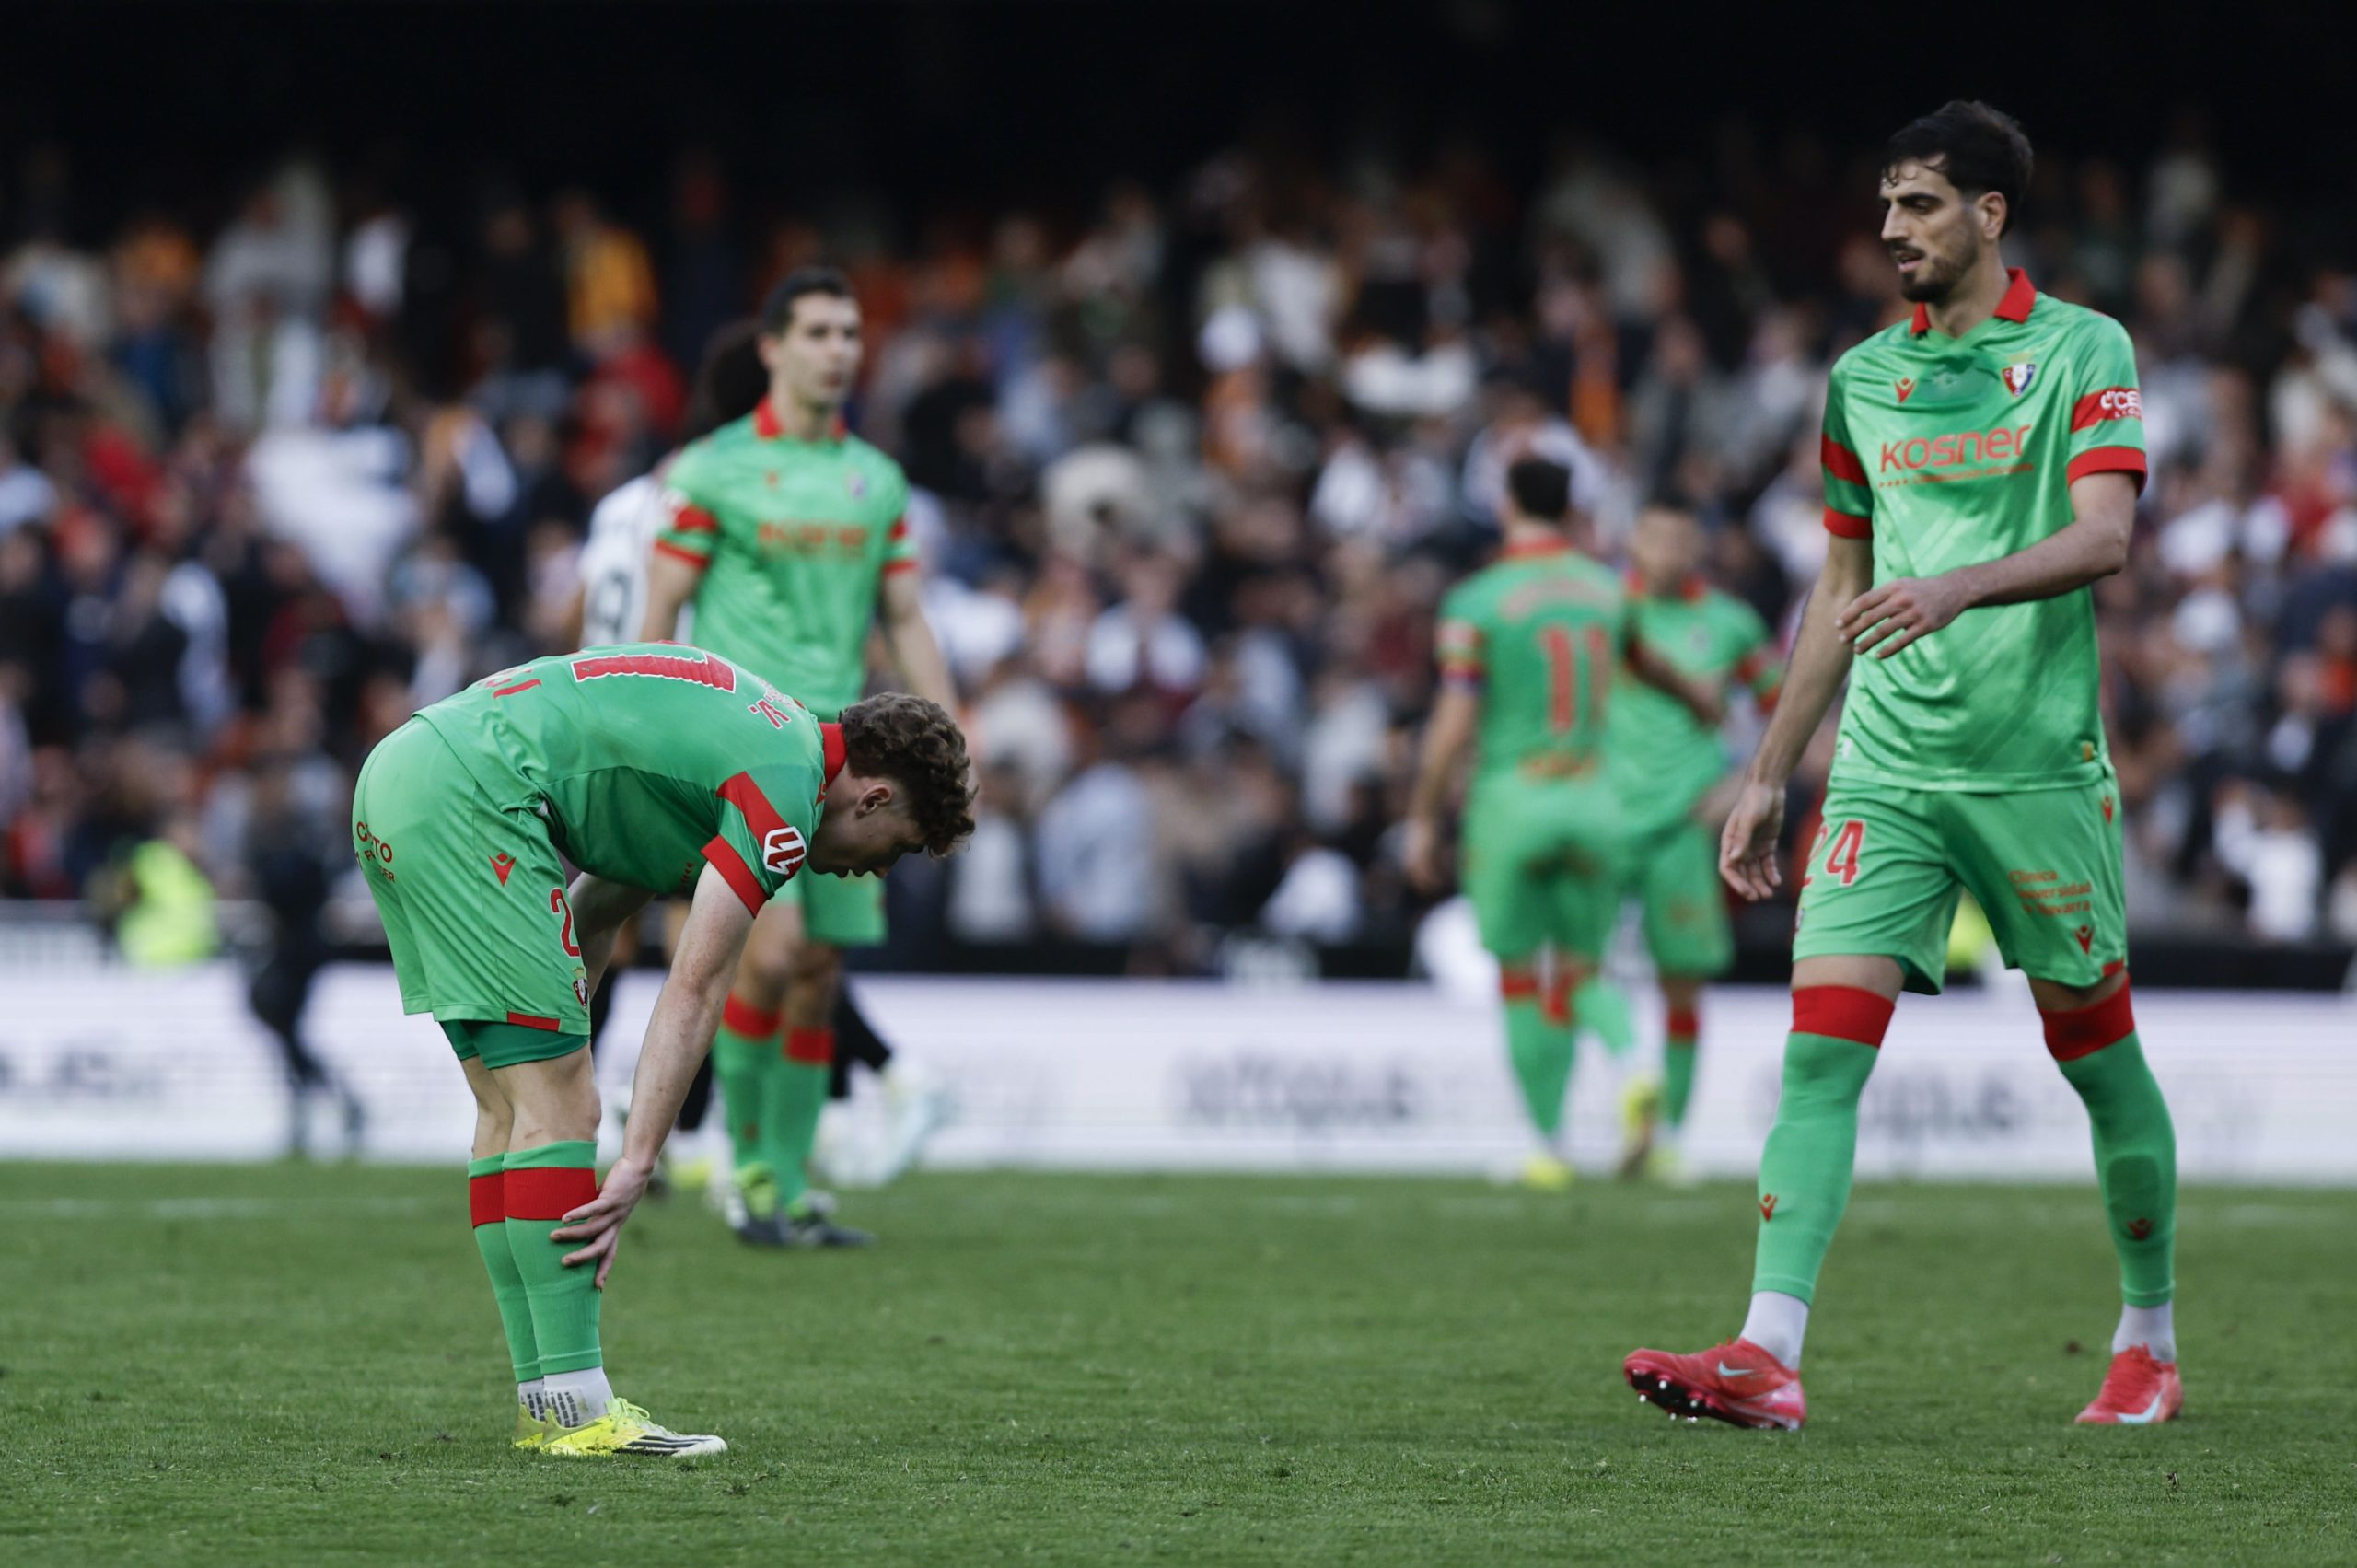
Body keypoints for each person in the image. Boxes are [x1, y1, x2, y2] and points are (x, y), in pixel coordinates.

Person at [1623, 102, 2178, 1431]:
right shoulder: (1863, 379)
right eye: (1885, 205)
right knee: (1821, 1056)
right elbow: (1842, 580)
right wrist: (1769, 766)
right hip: (1883, 765)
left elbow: (2106, 538)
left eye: (1920, 204)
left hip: (2035, 768)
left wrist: (1960, 589)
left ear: (1990, 213)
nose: (1890, 229)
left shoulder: (2080, 348)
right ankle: (1768, 1350)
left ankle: (2148, 1337)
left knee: (2096, 1057)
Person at [351, 646, 972, 1456]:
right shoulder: (783, 798)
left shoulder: (752, 742)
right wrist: (641, 1159)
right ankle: (576, 1410)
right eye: (897, 845)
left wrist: (563, 1000)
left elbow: (602, 904)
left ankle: (549, 1402)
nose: (877, 869)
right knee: (562, 1108)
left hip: (404, 779)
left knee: (511, 1110)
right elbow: (698, 985)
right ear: (876, 795)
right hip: (473, 801)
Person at [640, 267, 958, 1247]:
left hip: (852, 757)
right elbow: (656, 613)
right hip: (746, 749)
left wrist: (947, 745)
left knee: (817, 964)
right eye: (819, 331)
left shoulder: (877, 480)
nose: (839, 349)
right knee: (766, 956)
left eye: (851, 332)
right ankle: (742, 1175)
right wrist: (648, 729)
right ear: (772, 347)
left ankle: (783, 1185)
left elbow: (905, 616)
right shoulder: (711, 468)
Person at [1405, 458, 1720, 1190]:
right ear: (1571, 507)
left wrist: (1422, 814)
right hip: (1594, 799)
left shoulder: (1477, 599)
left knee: (1521, 978)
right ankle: (1635, 1062)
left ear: (1506, 504)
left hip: (1513, 800)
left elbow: (1454, 723)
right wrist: (1703, 704)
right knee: (1581, 969)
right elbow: (1656, 667)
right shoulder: (1607, 588)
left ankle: (1546, 1147)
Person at [1607, 505, 1783, 1181]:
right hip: (1604, 814)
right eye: (1655, 535)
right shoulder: (1603, 610)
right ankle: (1613, 1098)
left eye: (1682, 537)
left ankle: (1669, 1138)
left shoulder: (1730, 622)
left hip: (1682, 824)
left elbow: (1784, 705)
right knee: (1574, 968)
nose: (1669, 549)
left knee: (1681, 986)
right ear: (1633, 539)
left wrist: (1746, 781)